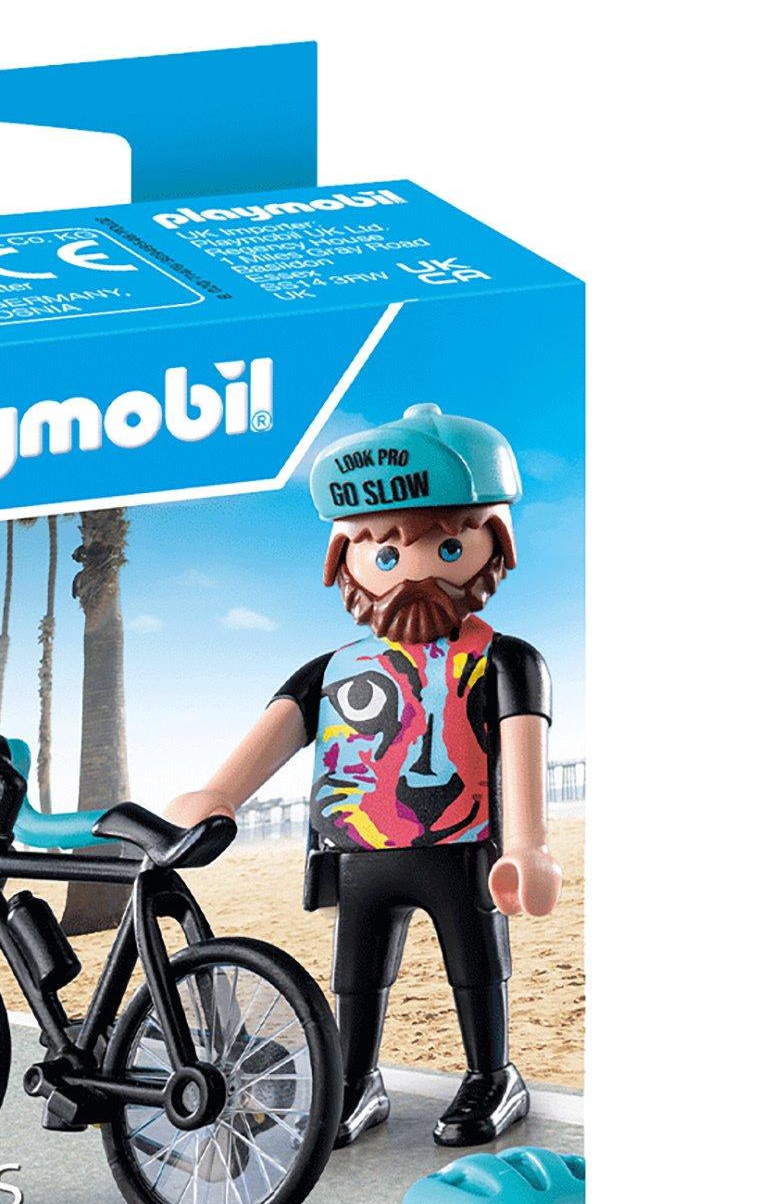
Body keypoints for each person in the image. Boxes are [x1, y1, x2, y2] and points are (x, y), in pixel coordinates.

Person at [164, 403, 562, 1147]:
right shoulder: (334, 669)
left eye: (447, 547)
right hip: (359, 849)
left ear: (492, 544)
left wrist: (529, 846)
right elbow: (277, 733)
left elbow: (521, 748)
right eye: (385, 555)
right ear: (344, 560)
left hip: (462, 842)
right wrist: (221, 794)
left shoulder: (506, 660)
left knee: (475, 965)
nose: (413, 573)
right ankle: (355, 1079)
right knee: (356, 973)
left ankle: (492, 1074)